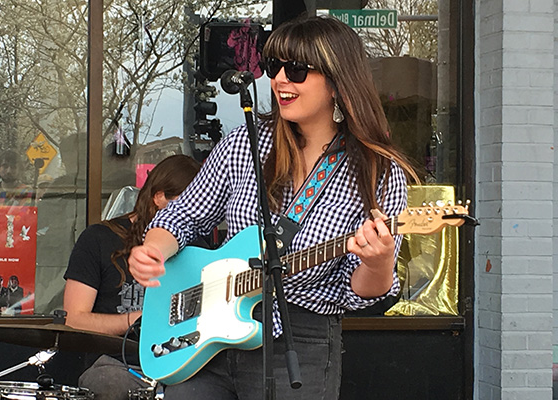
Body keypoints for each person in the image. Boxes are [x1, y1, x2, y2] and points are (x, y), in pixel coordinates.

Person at [128, 15, 418, 400]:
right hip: (209, 338)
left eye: (297, 70)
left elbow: (363, 293)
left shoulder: (378, 172)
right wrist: (154, 250)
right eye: (273, 67)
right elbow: (182, 216)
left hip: (301, 341)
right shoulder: (243, 143)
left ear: (337, 81)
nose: (280, 79)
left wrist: (378, 262)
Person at [63, 154, 202, 400]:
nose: (198, 213)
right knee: (110, 382)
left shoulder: (198, 248)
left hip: (182, 366)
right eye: (189, 203)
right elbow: (74, 320)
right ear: (159, 197)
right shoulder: (98, 239)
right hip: (116, 363)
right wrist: (138, 319)